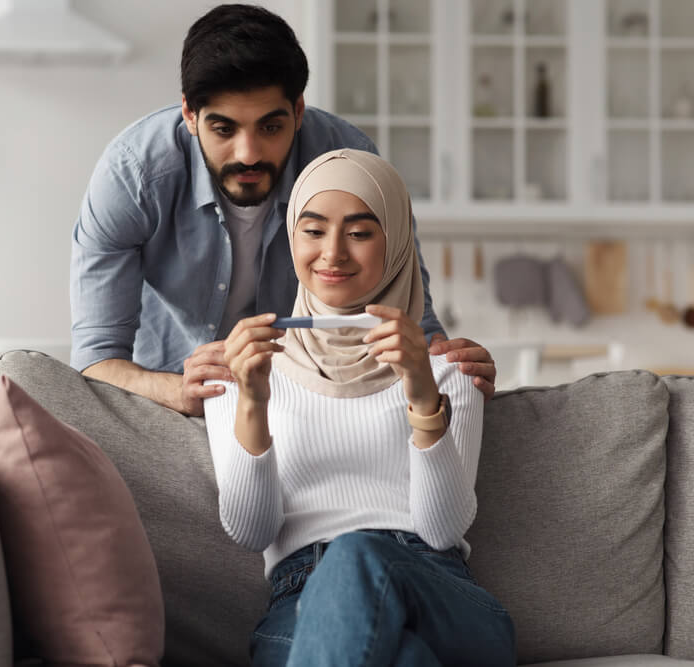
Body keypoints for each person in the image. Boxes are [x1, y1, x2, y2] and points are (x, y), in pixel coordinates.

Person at [70, 3, 496, 417]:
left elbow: (409, 318)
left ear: (298, 111)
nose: (249, 154)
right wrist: (175, 390)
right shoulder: (134, 175)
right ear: (189, 114)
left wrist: (452, 372)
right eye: (223, 129)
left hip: (311, 402)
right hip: (171, 401)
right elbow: (95, 361)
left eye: (270, 127)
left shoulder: (345, 159)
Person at [204, 149, 515, 666]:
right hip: (299, 601)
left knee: (356, 553)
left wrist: (420, 392)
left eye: (360, 232)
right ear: (292, 237)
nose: (333, 253)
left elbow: (441, 530)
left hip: (438, 592)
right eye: (313, 230)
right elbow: (251, 531)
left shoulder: (446, 369)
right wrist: (254, 402)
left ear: (394, 241)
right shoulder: (243, 369)